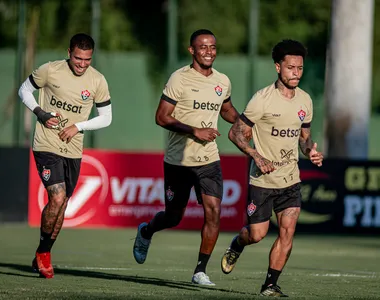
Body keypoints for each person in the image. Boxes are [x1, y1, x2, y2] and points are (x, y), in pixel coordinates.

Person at [133, 29, 239, 286]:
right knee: (174, 216)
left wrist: (244, 122)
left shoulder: (222, 81)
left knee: (213, 212)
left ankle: (200, 271)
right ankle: (146, 231)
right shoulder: (179, 79)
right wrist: (195, 131)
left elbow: (225, 109)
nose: (209, 51)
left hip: (209, 160)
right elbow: (161, 117)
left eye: (212, 47)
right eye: (203, 47)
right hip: (178, 161)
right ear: (192, 50)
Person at [220, 39, 323, 297]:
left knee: (288, 231)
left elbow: (304, 137)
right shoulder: (262, 100)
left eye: (300, 68)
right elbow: (235, 134)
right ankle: (237, 244)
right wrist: (256, 155)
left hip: (291, 179)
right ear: (278, 67)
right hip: (263, 181)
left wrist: (310, 151)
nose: (296, 73)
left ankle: (269, 285)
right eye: (290, 68)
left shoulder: (305, 100)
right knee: (257, 234)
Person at [18, 33, 112, 279]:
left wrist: (78, 127)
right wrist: (40, 112)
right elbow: (24, 90)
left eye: (87, 60)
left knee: (63, 204)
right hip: (46, 144)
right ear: (69, 51)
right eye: (78, 58)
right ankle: (45, 256)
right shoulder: (50, 70)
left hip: (73, 149)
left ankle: (42, 251)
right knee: (57, 197)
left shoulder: (98, 81)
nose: (82, 64)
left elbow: (106, 118)